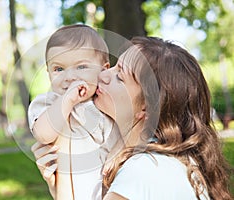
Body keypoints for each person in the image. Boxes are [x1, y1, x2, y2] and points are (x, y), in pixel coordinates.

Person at [32, 36, 233, 200]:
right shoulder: (163, 161)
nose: (103, 75)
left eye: (120, 76)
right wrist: (59, 185)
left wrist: (67, 145)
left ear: (148, 107)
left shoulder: (146, 171)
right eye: (114, 67)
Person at [28, 24, 119, 200]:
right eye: (59, 69)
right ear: (49, 74)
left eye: (81, 67)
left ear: (104, 69)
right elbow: (43, 134)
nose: (69, 77)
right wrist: (67, 100)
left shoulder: (109, 104)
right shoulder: (50, 103)